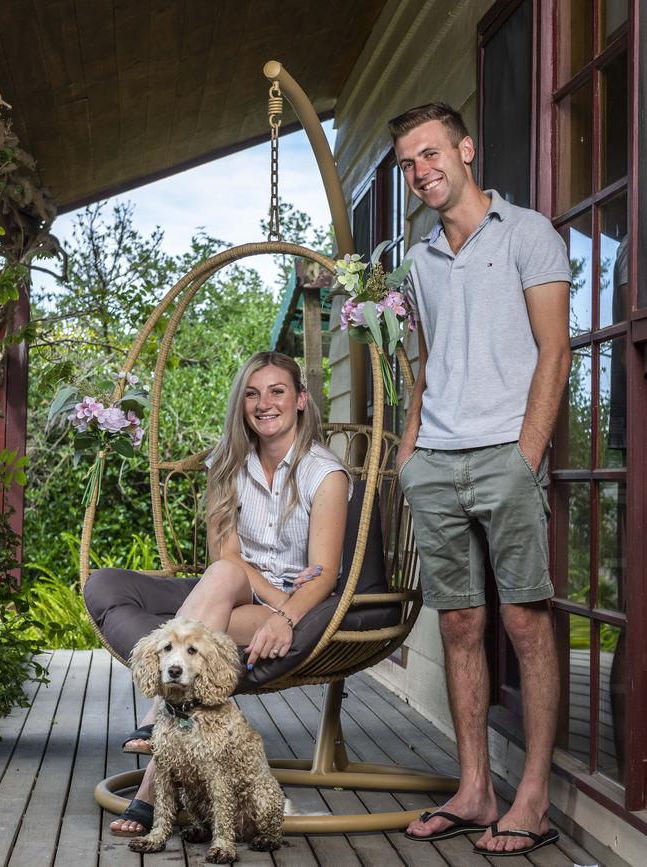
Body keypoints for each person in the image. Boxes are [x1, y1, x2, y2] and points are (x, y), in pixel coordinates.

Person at [389, 102, 571, 856]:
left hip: (506, 454)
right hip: (436, 460)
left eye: (431, 153)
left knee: (526, 623)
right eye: (408, 163)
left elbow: (554, 349)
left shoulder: (528, 233)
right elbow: (432, 363)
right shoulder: (421, 260)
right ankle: (474, 788)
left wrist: (527, 453)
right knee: (460, 624)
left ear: (465, 149)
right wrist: (408, 450)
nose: (421, 170)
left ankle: (531, 794)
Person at [84, 351, 350, 835]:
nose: (263, 403)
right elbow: (226, 560)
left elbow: (325, 574)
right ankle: (160, 745)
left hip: (303, 607)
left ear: (301, 401)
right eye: (252, 393)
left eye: (277, 392)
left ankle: (152, 763)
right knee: (226, 574)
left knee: (225, 582)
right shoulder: (227, 465)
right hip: (242, 594)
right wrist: (268, 598)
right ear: (241, 403)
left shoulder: (323, 473)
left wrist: (284, 616)